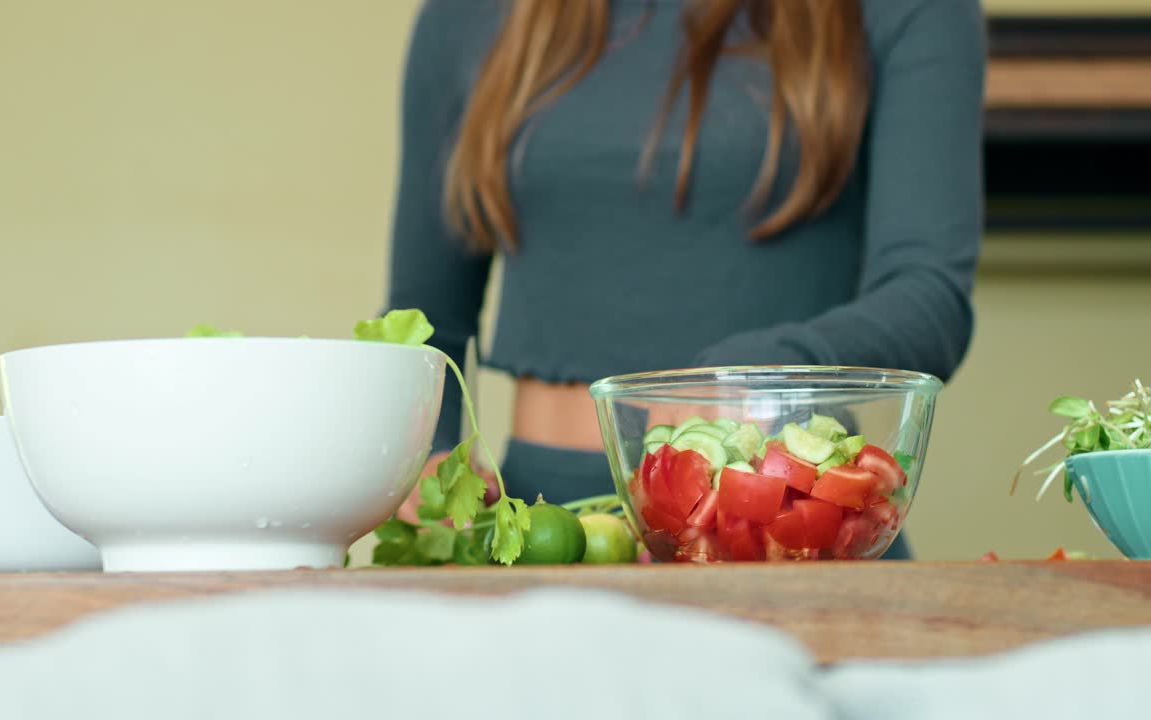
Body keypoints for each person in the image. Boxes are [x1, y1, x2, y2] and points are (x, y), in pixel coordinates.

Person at [381, 0, 985, 560]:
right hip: (542, 526)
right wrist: (428, 460)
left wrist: (754, 372)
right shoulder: (469, 15)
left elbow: (929, 297)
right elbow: (426, 319)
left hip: (788, 531)